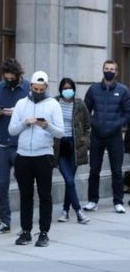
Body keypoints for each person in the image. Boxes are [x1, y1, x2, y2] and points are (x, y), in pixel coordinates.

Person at [8, 71, 63, 247]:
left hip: (44, 155)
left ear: (46, 87)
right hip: (23, 155)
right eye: (35, 88)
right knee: (26, 195)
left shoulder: (53, 104)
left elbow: (61, 132)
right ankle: (25, 231)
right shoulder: (21, 104)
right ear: (30, 86)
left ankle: (44, 232)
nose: (38, 91)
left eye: (42, 89)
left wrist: (46, 125)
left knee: (44, 195)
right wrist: (25, 122)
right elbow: (12, 130)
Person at [0, 58, 30, 234]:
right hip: (2, 143)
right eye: (6, 78)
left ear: (19, 76)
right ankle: (5, 221)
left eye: (12, 78)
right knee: (0, 185)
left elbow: (37, 110)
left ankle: (26, 224)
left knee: (24, 185)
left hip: (21, 144)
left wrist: (18, 113)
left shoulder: (28, 88)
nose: (9, 80)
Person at [83, 60, 130, 213]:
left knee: (116, 170)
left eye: (112, 69)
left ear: (116, 72)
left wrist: (117, 124)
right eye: (106, 68)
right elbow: (85, 111)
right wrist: (93, 124)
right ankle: (92, 201)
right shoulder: (93, 89)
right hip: (97, 135)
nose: (109, 71)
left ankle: (118, 201)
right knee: (94, 169)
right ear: (102, 70)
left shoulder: (123, 90)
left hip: (115, 136)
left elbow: (127, 113)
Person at [54, 78, 91, 224]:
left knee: (70, 182)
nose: (67, 91)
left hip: (75, 147)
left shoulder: (80, 104)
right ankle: (79, 211)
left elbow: (88, 125)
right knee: (69, 180)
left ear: (74, 89)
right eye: (64, 88)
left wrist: (85, 141)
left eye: (70, 88)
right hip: (60, 146)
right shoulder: (54, 103)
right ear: (61, 90)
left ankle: (65, 211)